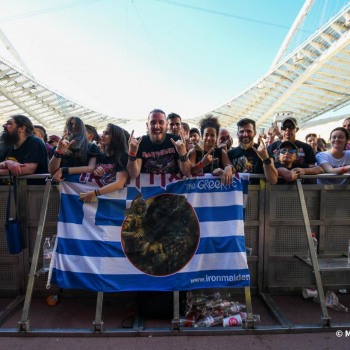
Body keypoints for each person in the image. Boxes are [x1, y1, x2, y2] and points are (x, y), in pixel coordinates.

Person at [127, 109, 191, 178]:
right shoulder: (139, 142)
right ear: (147, 125)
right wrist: (132, 153)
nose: (157, 126)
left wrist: (183, 153)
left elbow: (187, 172)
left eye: (161, 122)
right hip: (148, 188)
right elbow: (133, 174)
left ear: (166, 125)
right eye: (153, 122)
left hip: (172, 187)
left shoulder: (176, 141)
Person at [80, 124, 128, 203]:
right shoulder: (99, 155)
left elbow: (119, 184)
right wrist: (95, 172)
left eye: (107, 133)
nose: (102, 135)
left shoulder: (123, 156)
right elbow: (91, 172)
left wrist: (94, 193)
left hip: (116, 201)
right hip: (100, 200)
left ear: (116, 137)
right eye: (103, 132)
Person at [227, 118, 278, 184]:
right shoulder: (231, 153)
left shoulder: (264, 151)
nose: (245, 134)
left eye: (249, 131)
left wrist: (265, 158)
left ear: (255, 133)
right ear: (237, 134)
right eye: (241, 131)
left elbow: (273, 180)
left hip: (257, 193)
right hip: (237, 193)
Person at [48, 117, 99, 182]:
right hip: (61, 188)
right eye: (70, 124)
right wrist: (59, 152)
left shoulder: (91, 147)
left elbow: (91, 168)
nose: (73, 126)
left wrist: (63, 170)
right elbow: (52, 171)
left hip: (83, 186)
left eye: (77, 125)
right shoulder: (59, 146)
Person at [188, 116, 234, 185]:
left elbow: (232, 167)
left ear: (216, 137)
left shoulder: (221, 152)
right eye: (206, 135)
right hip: (198, 191)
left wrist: (228, 168)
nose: (209, 138)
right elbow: (190, 171)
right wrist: (202, 163)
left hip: (216, 191)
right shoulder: (194, 152)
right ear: (202, 136)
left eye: (212, 135)